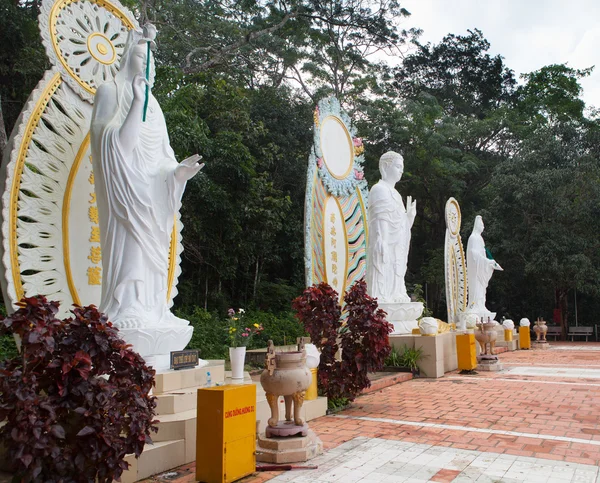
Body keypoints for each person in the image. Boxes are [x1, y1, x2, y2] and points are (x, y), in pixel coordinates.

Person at [90, 27, 202, 329]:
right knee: (131, 247)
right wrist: (136, 102)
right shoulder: (110, 92)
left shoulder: (155, 106)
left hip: (153, 192)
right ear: (127, 58)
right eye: (141, 57)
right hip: (124, 189)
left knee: (153, 255)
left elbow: (163, 157)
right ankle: (127, 307)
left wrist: (179, 173)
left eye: (151, 60)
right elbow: (110, 148)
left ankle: (154, 309)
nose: (147, 65)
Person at [366, 151, 416, 303]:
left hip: (397, 245)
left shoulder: (396, 194)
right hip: (384, 241)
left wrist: (409, 217)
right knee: (382, 267)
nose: (401, 170)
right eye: (398, 166)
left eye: (402, 167)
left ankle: (396, 293)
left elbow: (402, 227)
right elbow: (380, 219)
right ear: (385, 166)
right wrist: (382, 240)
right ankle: (380, 297)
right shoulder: (379, 189)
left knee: (397, 269)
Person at [466, 215, 502, 317]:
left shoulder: (480, 239)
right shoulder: (473, 238)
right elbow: (472, 253)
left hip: (481, 268)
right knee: (476, 289)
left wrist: (489, 262)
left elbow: (483, 253)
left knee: (482, 290)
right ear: (477, 226)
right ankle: (474, 306)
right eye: (482, 225)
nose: (483, 227)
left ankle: (481, 306)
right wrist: (486, 261)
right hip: (475, 269)